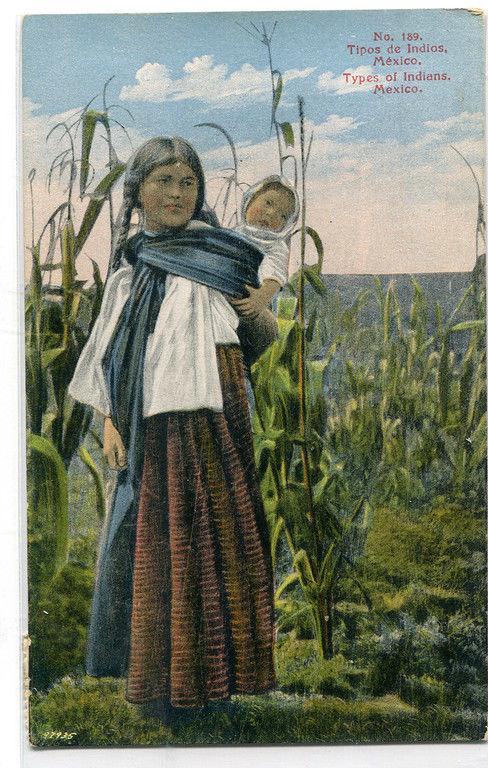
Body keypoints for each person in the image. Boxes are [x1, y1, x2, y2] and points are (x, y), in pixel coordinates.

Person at [68, 136, 276, 713]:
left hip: (215, 415)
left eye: (188, 183)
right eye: (163, 181)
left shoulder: (222, 257)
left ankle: (217, 684)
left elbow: (257, 334)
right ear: (136, 193)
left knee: (219, 537)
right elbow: (106, 354)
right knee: (159, 540)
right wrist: (109, 423)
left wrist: (259, 314)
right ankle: (160, 686)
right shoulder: (130, 271)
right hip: (152, 426)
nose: (177, 194)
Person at [230, 177, 299, 370]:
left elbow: (274, 277)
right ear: (250, 199)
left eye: (283, 215)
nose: (271, 214)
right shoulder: (233, 234)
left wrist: (260, 298)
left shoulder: (275, 246)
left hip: (252, 307)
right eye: (268, 203)